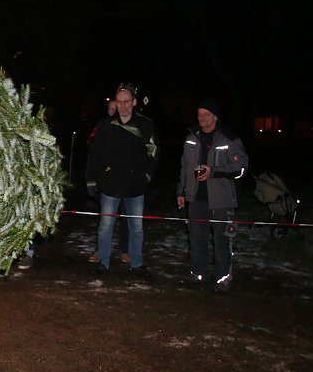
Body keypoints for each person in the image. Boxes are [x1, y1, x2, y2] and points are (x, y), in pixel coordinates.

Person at [85, 83, 159, 278]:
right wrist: (91, 180)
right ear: (115, 103)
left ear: (134, 102)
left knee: (136, 227)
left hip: (135, 185)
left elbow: (154, 152)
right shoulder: (106, 125)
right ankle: (103, 262)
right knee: (106, 225)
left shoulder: (145, 125)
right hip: (110, 184)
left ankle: (137, 264)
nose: (123, 106)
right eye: (119, 102)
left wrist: (147, 175)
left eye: (127, 101)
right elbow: (95, 154)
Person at [176, 99, 248, 292]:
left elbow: (241, 167)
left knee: (222, 240)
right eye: (199, 114)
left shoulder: (228, 139)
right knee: (196, 239)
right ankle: (198, 275)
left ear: (215, 117)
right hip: (196, 198)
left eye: (206, 114)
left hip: (221, 200)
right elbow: (184, 167)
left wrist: (214, 171)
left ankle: (222, 278)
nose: (202, 118)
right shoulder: (192, 137)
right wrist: (181, 191)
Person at [87, 98, 130, 265]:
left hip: (126, 182)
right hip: (106, 181)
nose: (113, 111)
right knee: (105, 219)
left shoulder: (130, 125)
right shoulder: (102, 125)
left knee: (127, 216)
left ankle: (125, 250)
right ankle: (101, 250)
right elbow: (91, 147)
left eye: (116, 108)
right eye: (111, 108)